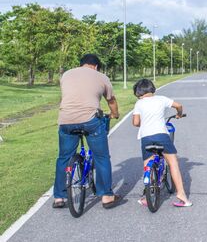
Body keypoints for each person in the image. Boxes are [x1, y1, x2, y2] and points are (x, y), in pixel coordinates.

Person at [53, 54, 121, 209]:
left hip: (66, 120)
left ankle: (59, 197)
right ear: (96, 66)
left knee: (63, 158)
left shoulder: (66, 74)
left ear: (81, 64)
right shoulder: (101, 76)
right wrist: (115, 114)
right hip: (90, 120)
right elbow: (111, 100)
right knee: (101, 156)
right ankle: (106, 195)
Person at [132, 78, 192, 207]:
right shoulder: (161, 99)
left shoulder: (139, 104)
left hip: (146, 137)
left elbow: (136, 123)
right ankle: (181, 194)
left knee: (148, 165)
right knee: (173, 163)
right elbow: (178, 105)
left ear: (139, 93)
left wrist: (146, 123)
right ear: (152, 89)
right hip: (161, 135)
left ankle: (148, 193)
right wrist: (179, 114)